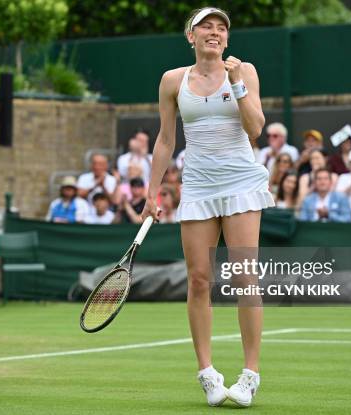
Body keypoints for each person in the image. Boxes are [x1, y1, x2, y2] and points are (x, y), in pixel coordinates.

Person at [140, 7, 273, 407]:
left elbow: (256, 129)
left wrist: (238, 85)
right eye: (206, 27)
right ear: (191, 36)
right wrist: (152, 192)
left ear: (226, 40)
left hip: (241, 182)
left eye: (221, 29)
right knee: (199, 279)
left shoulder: (244, 71)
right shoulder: (172, 81)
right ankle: (207, 373)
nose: (214, 33)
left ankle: (250, 375)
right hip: (197, 185)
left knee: (244, 276)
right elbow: (166, 141)